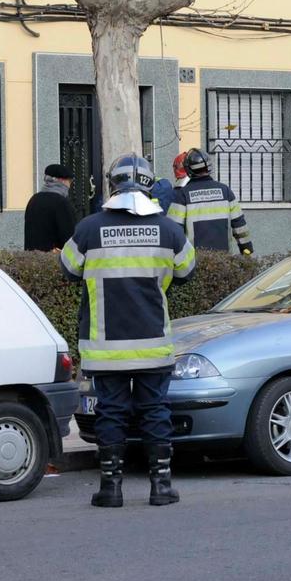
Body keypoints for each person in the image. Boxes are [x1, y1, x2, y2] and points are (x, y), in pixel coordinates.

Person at [60, 154, 196, 508]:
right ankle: (161, 487)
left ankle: (111, 488)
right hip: (152, 344)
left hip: (105, 348)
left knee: (111, 413)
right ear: (150, 185)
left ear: (112, 184)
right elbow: (187, 271)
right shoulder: (168, 229)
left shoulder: (89, 228)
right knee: (155, 411)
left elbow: (68, 269)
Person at [167, 148, 253, 256]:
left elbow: (173, 230)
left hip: (195, 261)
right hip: (224, 261)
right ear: (208, 166)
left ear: (188, 170)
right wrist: (246, 248)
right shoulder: (225, 191)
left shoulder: (182, 195)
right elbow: (239, 224)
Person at [24, 164, 76, 252]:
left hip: (32, 257)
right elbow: (69, 236)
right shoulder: (62, 202)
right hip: (53, 258)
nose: (69, 186)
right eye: (69, 182)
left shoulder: (34, 199)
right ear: (61, 181)